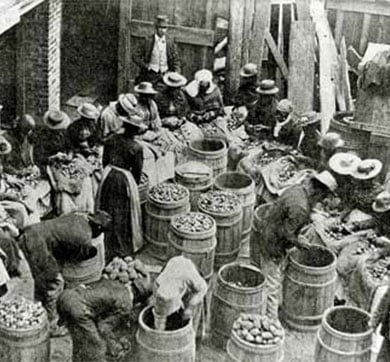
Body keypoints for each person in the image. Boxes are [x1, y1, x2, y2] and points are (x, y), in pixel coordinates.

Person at [250, 171, 338, 319]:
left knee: (270, 276)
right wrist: (298, 241)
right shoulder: (301, 207)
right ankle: (270, 320)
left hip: (267, 231)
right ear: (318, 192)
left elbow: (286, 221)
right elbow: (285, 232)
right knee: (271, 286)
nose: (321, 201)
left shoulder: (297, 189)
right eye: (322, 197)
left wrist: (296, 234)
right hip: (272, 243)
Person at [17, 211, 112, 335]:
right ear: (98, 228)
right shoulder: (84, 238)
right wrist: (90, 251)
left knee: (43, 279)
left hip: (31, 233)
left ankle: (40, 308)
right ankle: (52, 325)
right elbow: (77, 257)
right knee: (56, 283)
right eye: (102, 231)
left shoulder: (78, 218)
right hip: (36, 245)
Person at [58, 260, 152, 362]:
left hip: (65, 296)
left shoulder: (116, 283)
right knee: (97, 347)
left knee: (79, 338)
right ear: (138, 301)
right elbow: (103, 328)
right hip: (78, 309)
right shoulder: (126, 304)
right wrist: (112, 343)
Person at [96, 112, 146, 261]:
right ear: (136, 131)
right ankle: (121, 247)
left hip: (108, 175)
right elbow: (137, 171)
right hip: (123, 180)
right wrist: (133, 185)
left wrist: (109, 172)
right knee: (122, 214)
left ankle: (106, 242)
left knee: (107, 207)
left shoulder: (111, 139)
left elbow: (104, 161)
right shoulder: (136, 147)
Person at [133, 15, 180, 86]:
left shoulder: (170, 42)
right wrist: (145, 66)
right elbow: (135, 56)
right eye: (160, 27)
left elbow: (175, 59)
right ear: (156, 28)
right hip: (150, 75)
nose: (162, 30)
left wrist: (176, 72)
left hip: (165, 75)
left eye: (164, 28)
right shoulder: (148, 41)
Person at [184, 69, 228, 140]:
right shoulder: (189, 91)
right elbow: (185, 109)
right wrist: (193, 116)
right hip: (194, 121)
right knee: (195, 137)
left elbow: (220, 109)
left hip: (211, 120)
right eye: (202, 85)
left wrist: (211, 113)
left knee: (220, 136)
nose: (204, 88)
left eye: (206, 85)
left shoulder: (215, 91)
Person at [31, 110, 70, 174]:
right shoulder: (42, 136)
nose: (58, 131)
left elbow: (69, 146)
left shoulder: (63, 132)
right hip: (46, 166)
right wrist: (53, 157)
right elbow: (38, 158)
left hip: (61, 164)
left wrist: (68, 155)